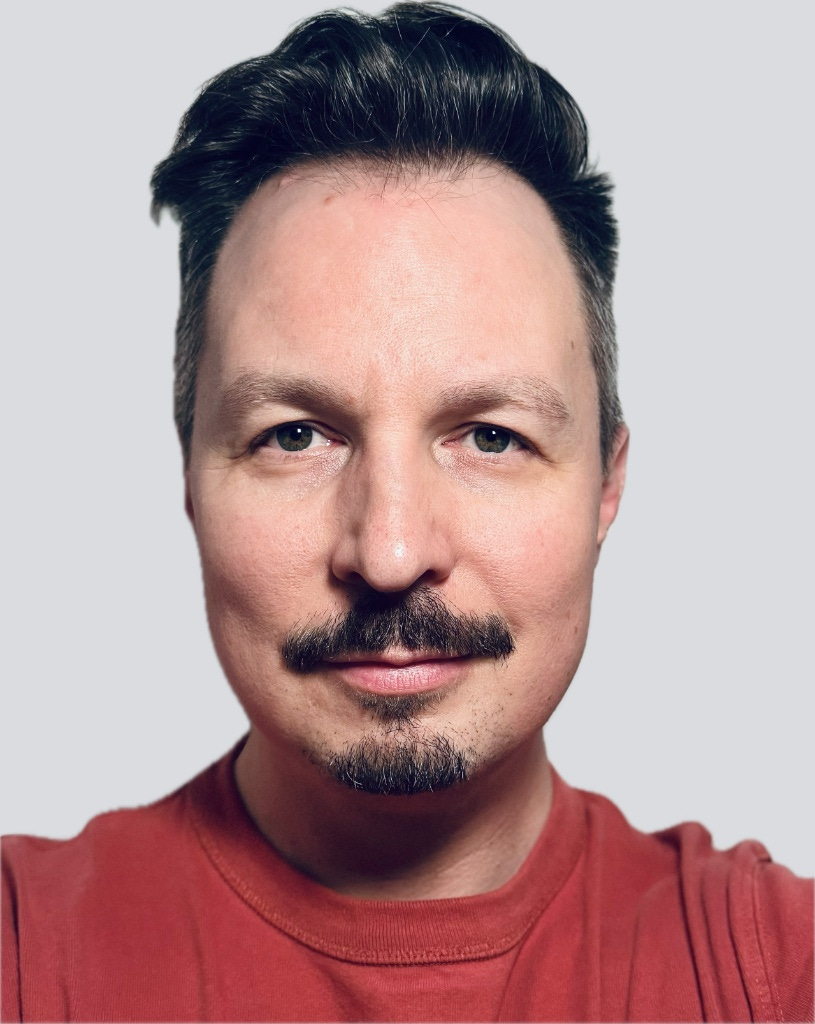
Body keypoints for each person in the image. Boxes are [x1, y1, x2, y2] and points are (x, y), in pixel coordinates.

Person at [2, 3, 812, 1021]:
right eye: (295, 435)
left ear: (605, 485)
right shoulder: (23, 955)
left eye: (491, 437)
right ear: (190, 479)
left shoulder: (772, 971)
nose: (388, 552)